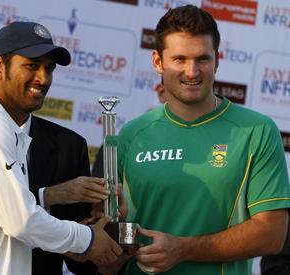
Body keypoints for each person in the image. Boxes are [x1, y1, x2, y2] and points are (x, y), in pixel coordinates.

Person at [115, 5, 290, 275]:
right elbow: (117, 232)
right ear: (157, 61)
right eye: (180, 59)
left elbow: (272, 233)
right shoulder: (131, 135)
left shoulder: (257, 130)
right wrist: (114, 226)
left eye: (203, 59)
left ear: (217, 60)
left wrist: (183, 248)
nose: (192, 71)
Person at [0, 21, 122, 275]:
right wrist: (88, 239)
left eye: (49, 69)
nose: (43, 78)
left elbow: (2, 216)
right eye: (31, 66)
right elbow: (22, 221)